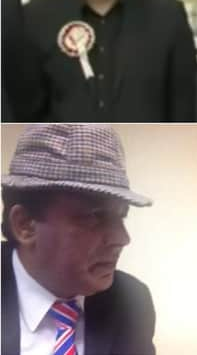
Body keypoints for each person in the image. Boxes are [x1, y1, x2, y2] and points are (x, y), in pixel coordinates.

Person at [1, 125, 156, 355]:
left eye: (121, 216)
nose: (122, 239)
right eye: (96, 216)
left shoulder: (131, 301)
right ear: (25, 225)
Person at [16, 0, 197, 122]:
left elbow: (184, 109)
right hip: (64, 150)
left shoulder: (168, 17)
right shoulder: (38, 18)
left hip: (149, 149)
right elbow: (27, 109)